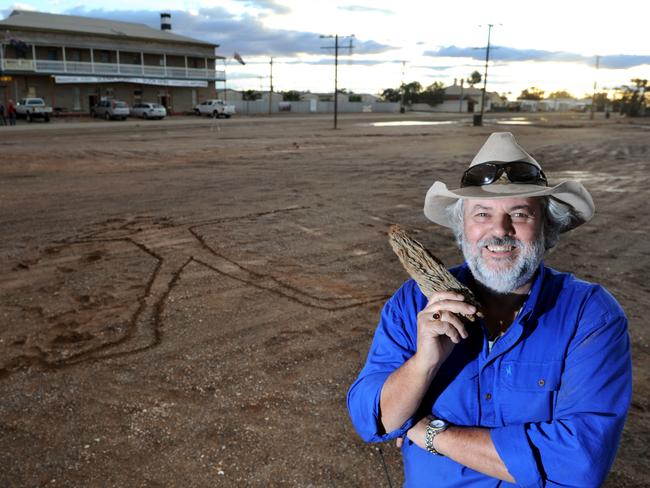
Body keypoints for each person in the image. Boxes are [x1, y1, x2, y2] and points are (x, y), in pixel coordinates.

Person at [347, 132, 632, 487]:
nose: (500, 230)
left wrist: (431, 433)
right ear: (462, 226)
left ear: (546, 226)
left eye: (520, 213)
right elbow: (373, 421)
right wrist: (423, 364)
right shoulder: (412, 304)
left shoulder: (590, 315)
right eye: (482, 213)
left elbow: (579, 463)